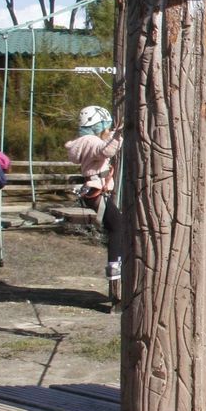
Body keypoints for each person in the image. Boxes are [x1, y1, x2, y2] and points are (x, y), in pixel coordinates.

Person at [64, 105, 125, 298]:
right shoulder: (92, 141)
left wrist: (114, 134)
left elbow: (103, 146)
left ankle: (116, 263)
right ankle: (115, 265)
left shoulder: (83, 141)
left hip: (93, 189)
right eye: (106, 127)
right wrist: (118, 136)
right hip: (96, 189)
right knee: (118, 226)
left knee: (114, 224)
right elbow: (106, 150)